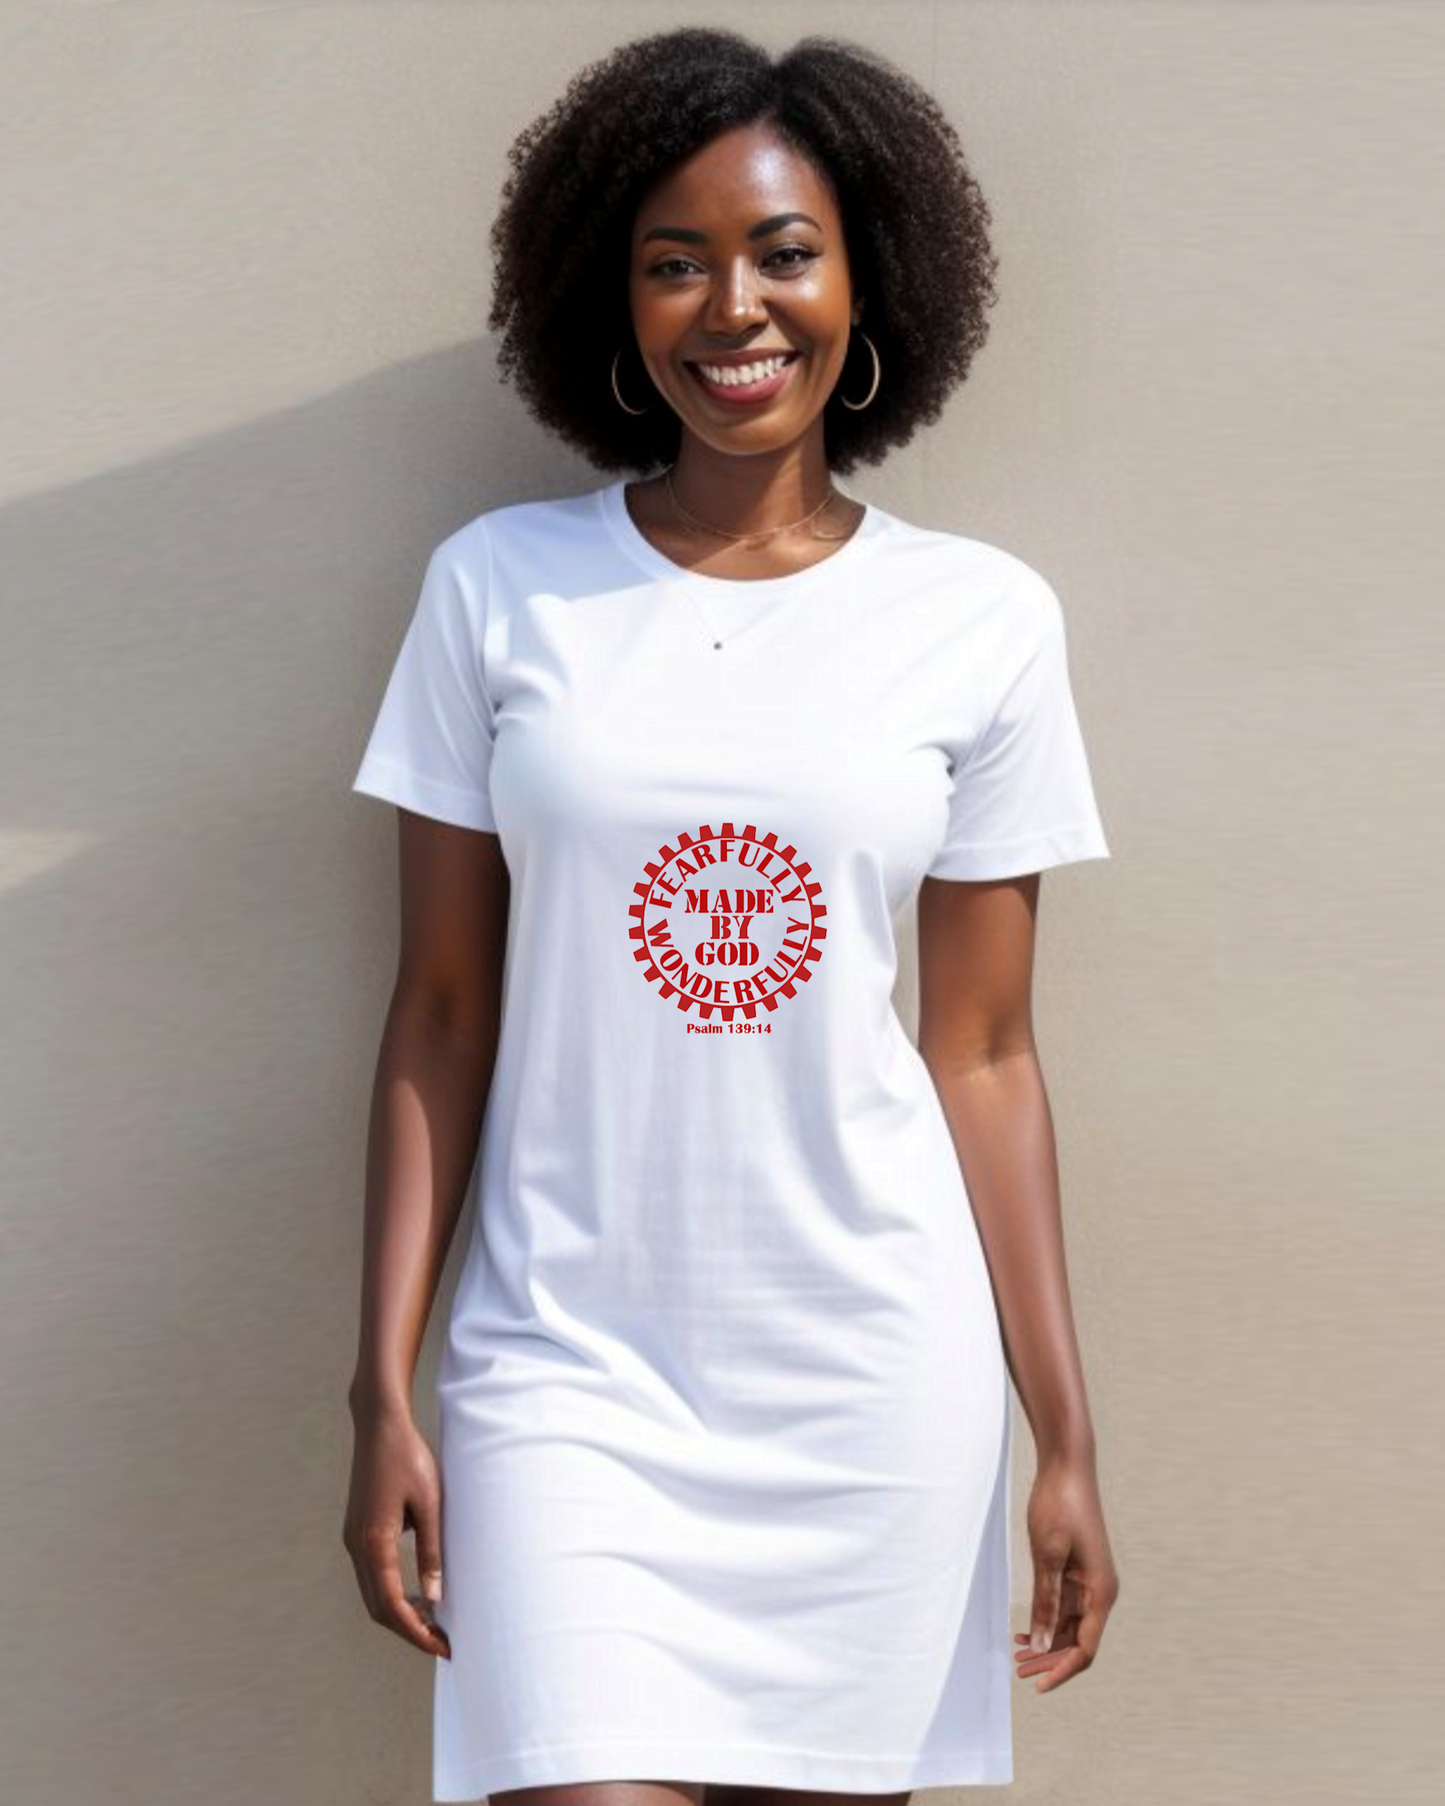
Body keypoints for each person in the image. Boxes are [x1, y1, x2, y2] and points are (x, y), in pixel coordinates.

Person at [343, 25, 1120, 1806]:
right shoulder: (498, 588)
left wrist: (1066, 1430)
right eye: (674, 262)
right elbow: (441, 1011)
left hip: (871, 1379)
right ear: (610, 304)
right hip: (564, 1370)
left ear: (868, 281)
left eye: (783, 253)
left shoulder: (981, 619)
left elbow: (985, 1053)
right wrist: (380, 1384)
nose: (734, 308)